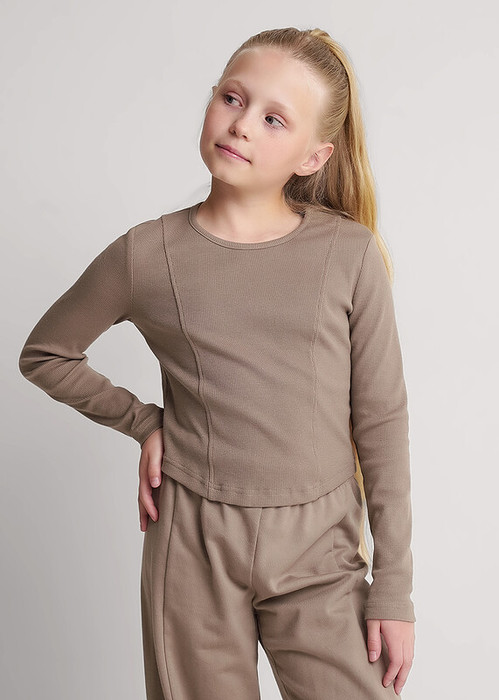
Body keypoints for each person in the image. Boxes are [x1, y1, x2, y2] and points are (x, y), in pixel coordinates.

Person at [18, 26, 416, 699]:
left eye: (273, 118)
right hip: (191, 546)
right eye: (232, 98)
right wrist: (144, 422)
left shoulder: (348, 255)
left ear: (314, 156)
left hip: (320, 550)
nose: (242, 125)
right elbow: (47, 353)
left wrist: (394, 590)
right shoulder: (146, 255)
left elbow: (381, 422)